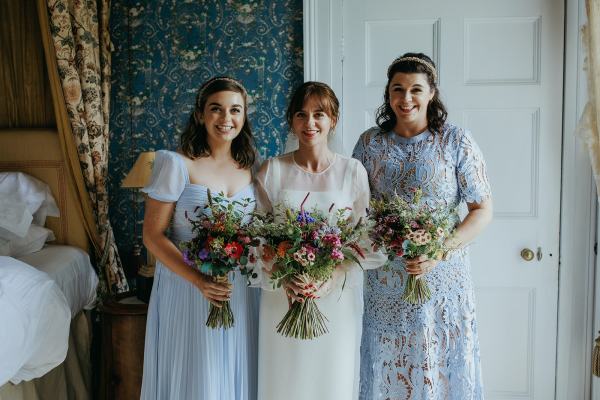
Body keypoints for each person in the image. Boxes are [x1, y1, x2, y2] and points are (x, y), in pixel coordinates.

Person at [353, 53, 493, 399]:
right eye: (397, 89)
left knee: (439, 368)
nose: (406, 98)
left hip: (443, 281)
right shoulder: (370, 143)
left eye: (416, 89)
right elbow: (354, 211)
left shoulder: (455, 140)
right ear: (388, 94)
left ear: (432, 93)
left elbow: (482, 209)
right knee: (391, 369)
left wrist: (440, 250)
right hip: (386, 283)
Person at [253, 81, 386, 400]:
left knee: (333, 378)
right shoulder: (272, 170)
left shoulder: (352, 171)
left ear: (333, 119)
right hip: (283, 295)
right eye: (301, 114)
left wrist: (331, 276)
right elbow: (257, 236)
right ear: (292, 121)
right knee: (284, 378)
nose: (309, 123)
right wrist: (285, 277)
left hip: (336, 296)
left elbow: (366, 238)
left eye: (319, 114)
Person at [140, 76, 259, 400]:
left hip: (237, 289)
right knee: (197, 376)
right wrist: (198, 279)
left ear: (244, 116)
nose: (226, 118)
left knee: (235, 372)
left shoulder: (251, 169)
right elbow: (152, 235)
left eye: (235, 110)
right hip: (188, 286)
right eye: (216, 109)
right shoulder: (174, 162)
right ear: (200, 114)